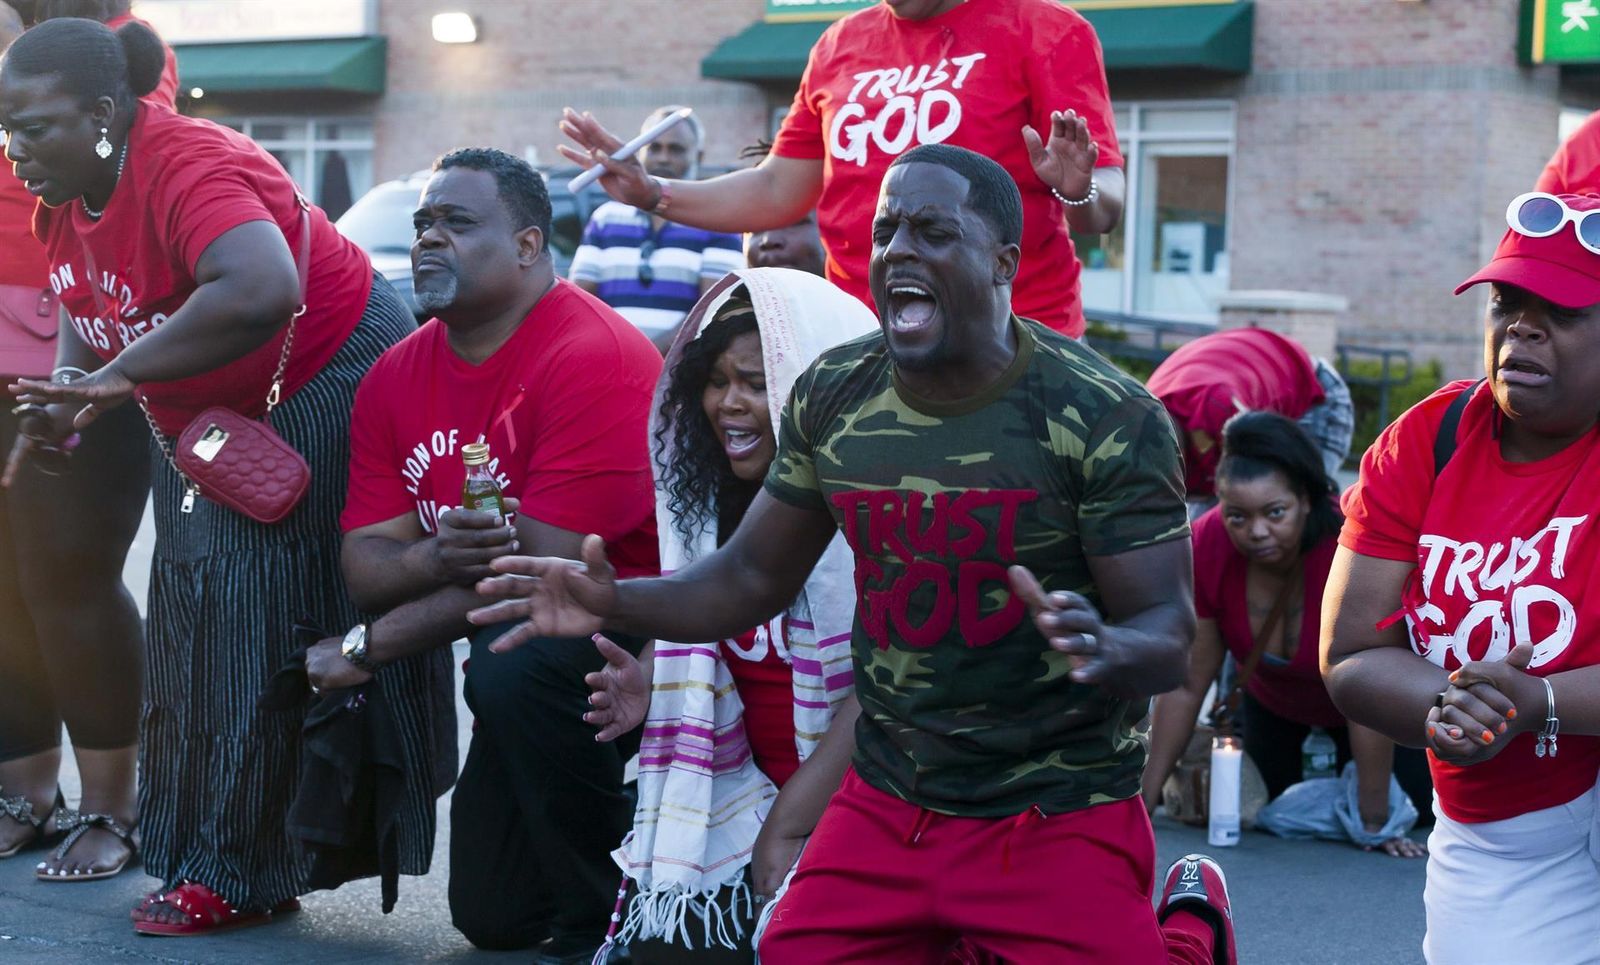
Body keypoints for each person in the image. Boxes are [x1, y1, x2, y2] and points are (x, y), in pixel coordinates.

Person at [470, 144, 1235, 964]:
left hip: (1053, 807)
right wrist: (614, 597)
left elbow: (1166, 633)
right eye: (886, 230)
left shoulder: (1107, 413)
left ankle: (1195, 920)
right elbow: (750, 576)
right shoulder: (834, 392)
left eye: (933, 230)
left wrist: (1108, 645)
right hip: (891, 798)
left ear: (1004, 262)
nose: (899, 249)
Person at [0, 18, 445, 935]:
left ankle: (245, 868)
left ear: (101, 113)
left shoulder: (186, 164)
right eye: (4, 129)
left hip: (327, 374)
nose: (14, 149)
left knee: (256, 615)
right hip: (204, 412)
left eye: (32, 127)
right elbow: (91, 299)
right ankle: (191, 839)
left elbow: (261, 285)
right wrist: (83, 388)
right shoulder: (68, 194)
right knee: (190, 613)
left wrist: (121, 378)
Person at [304, 147, 662, 963]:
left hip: (642, 652)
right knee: (492, 916)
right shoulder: (396, 376)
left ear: (531, 246)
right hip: (522, 671)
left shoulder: (591, 355)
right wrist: (438, 555)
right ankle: (604, 858)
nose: (430, 238)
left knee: (517, 665)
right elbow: (367, 566)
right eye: (424, 223)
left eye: (457, 222)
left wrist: (368, 648)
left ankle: (609, 920)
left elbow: (546, 585)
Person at [1323, 192, 1600, 962]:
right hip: (1505, 828)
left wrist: (1537, 700)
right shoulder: (1427, 438)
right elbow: (1349, 653)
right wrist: (1450, 708)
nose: (1522, 325)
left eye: (1564, 311)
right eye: (1507, 301)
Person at [573, 268, 869, 963]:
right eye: (715, 379)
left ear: (814, 391)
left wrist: (788, 827)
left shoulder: (873, 510)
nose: (728, 404)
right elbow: (714, 622)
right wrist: (652, 675)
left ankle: (1184, 912)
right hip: (738, 799)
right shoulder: (707, 506)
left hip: (855, 800)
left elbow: (885, 696)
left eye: (757, 382)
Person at [559, 0, 1124, 338]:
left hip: (1013, 339)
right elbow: (777, 187)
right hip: (864, 341)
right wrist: (653, 191)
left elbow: (1104, 207)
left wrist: (1079, 191)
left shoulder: (1046, 29)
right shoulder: (840, 44)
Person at [0, 0, 176, 884]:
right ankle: (24, 791)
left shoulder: (106, 52)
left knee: (68, 572)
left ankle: (114, 800)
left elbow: (125, 190)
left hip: (83, 345)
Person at [1141, 411, 1429, 856]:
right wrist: (1142, 807)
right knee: (1263, 807)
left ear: (1306, 500)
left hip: (1369, 710)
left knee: (1417, 805)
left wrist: (1375, 823)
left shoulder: (1350, 545)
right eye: (1237, 516)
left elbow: (1369, 680)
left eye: (1275, 513)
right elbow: (1187, 684)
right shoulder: (1208, 544)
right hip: (1273, 706)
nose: (1256, 532)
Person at [568, 105, 744, 353]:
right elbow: (581, 301)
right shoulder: (606, 219)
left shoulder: (715, 221)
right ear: (640, 153)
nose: (663, 158)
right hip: (610, 365)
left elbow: (713, 310)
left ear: (699, 157)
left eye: (676, 149)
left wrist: (643, 356)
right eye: (655, 148)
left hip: (677, 375)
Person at [1146, 327, 1354, 508]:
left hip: (1312, 394)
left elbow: (1260, 488)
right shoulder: (1140, 416)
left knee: (1295, 504)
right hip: (1251, 371)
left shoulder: (1219, 411)